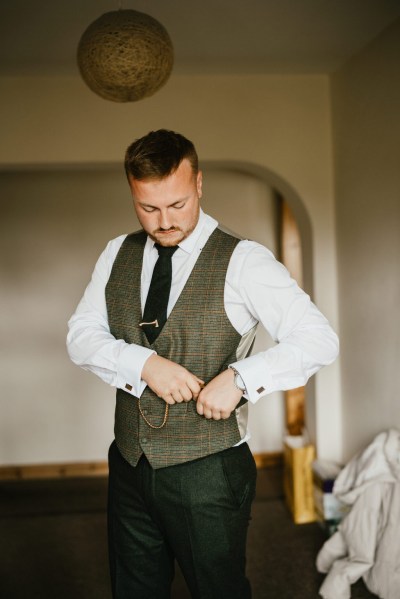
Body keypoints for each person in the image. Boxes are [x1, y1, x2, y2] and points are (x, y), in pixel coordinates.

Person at [67, 129, 339, 599]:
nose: (164, 220)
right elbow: (81, 336)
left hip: (209, 472)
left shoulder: (245, 261)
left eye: (176, 204)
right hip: (129, 464)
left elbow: (319, 339)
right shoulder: (117, 253)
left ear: (198, 185)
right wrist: (145, 362)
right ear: (133, 192)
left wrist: (240, 378)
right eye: (148, 208)